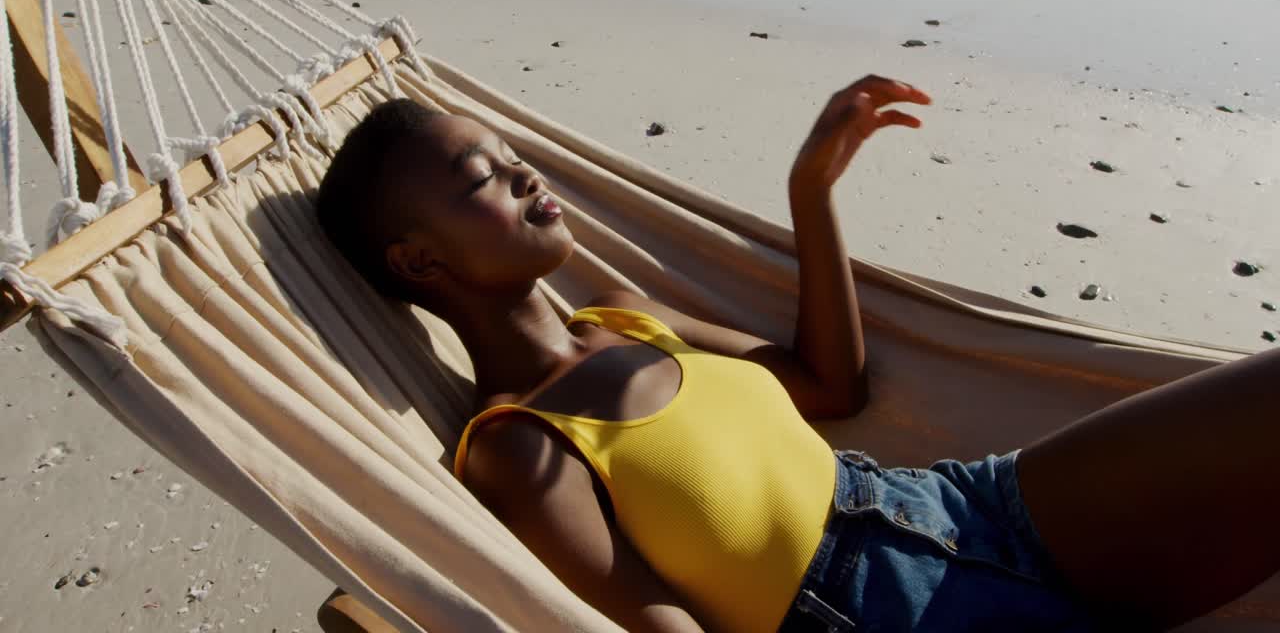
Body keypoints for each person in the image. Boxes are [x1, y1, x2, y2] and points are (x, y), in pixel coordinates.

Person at [316, 76, 1280, 633]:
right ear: (419, 260)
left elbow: (830, 382)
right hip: (882, 614)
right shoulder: (519, 445)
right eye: (481, 176)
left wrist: (812, 193)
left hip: (965, 503)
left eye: (506, 150)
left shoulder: (628, 317)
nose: (523, 169)